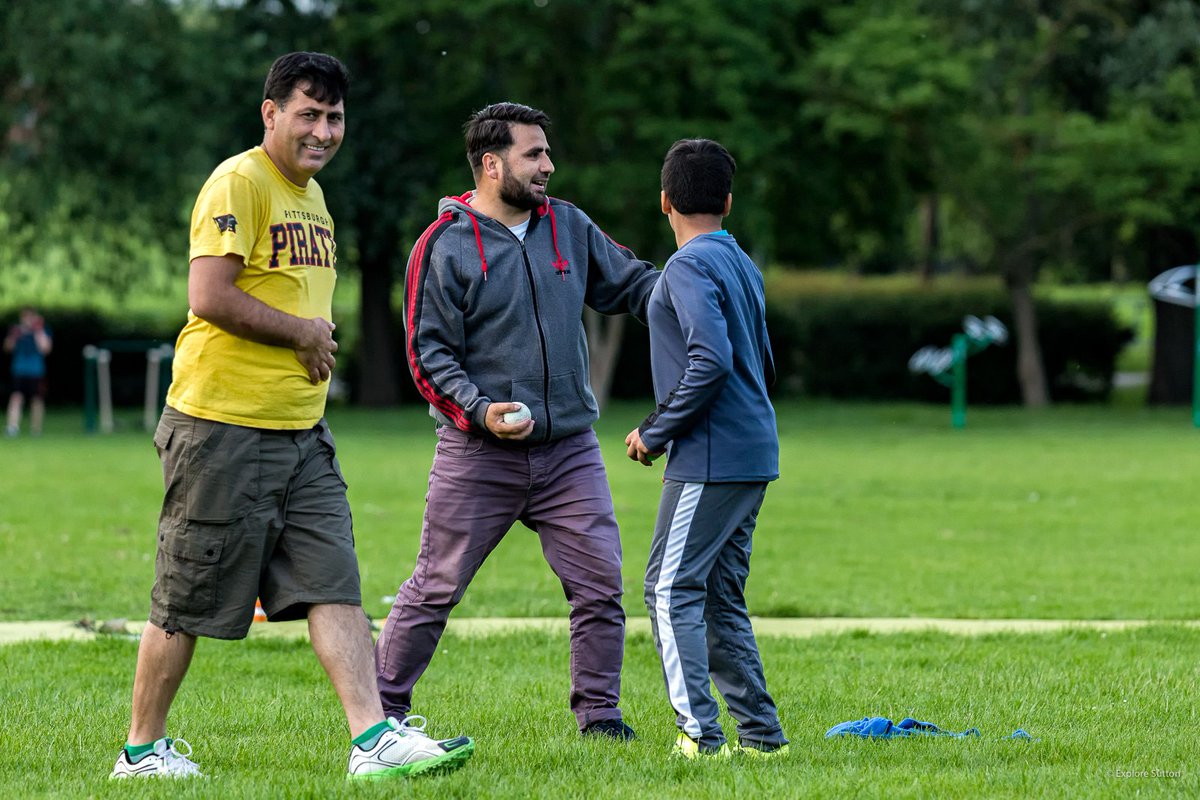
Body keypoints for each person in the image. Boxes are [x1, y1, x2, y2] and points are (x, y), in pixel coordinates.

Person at [111, 52, 473, 780]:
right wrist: (302, 334)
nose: (323, 130)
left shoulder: (313, 199)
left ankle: (373, 741)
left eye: (334, 117)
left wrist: (308, 345)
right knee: (186, 594)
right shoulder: (241, 181)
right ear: (270, 112)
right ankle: (141, 752)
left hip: (301, 432)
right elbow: (209, 294)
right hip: (222, 427)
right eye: (308, 114)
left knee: (333, 581)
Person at [377, 102, 659, 740]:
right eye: (534, 155)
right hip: (478, 453)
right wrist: (478, 410)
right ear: (491, 163)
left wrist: (694, 284)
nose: (548, 166)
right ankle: (381, 716)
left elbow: (636, 286)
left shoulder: (569, 227)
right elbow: (427, 357)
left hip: (569, 452)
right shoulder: (442, 245)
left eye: (547, 153)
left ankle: (600, 719)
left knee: (600, 587)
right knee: (435, 587)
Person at [625, 139, 788, 759]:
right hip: (753, 451)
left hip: (710, 457)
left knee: (668, 590)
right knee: (718, 594)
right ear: (726, 201)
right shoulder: (741, 262)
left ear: (664, 200)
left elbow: (711, 359)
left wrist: (656, 430)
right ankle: (762, 738)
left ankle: (699, 734)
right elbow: (761, 361)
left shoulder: (687, 267)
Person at [4, 306, 52, 437]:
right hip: (19, 370)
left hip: (36, 371)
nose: (28, 320)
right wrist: (15, 335)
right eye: (25, 317)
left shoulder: (42, 331)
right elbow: (8, 348)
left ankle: (36, 429)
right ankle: (12, 427)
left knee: (37, 399)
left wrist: (37, 330)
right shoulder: (16, 330)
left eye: (30, 317)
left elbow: (45, 349)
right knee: (16, 398)